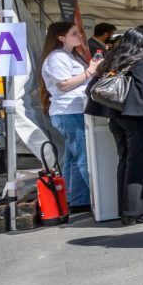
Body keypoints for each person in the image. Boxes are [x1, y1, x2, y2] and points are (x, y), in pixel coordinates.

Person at [91, 27, 143, 225]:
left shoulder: (113, 59)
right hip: (137, 119)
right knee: (137, 167)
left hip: (116, 118)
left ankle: (124, 211)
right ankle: (136, 212)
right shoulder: (140, 63)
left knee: (124, 162)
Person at [40, 21, 101, 212]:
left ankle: (77, 199)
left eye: (79, 32)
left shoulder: (69, 56)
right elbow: (64, 84)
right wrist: (90, 70)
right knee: (83, 155)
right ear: (60, 37)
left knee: (74, 157)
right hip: (68, 111)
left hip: (73, 110)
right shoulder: (57, 57)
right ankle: (99, 200)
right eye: (74, 33)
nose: (80, 36)